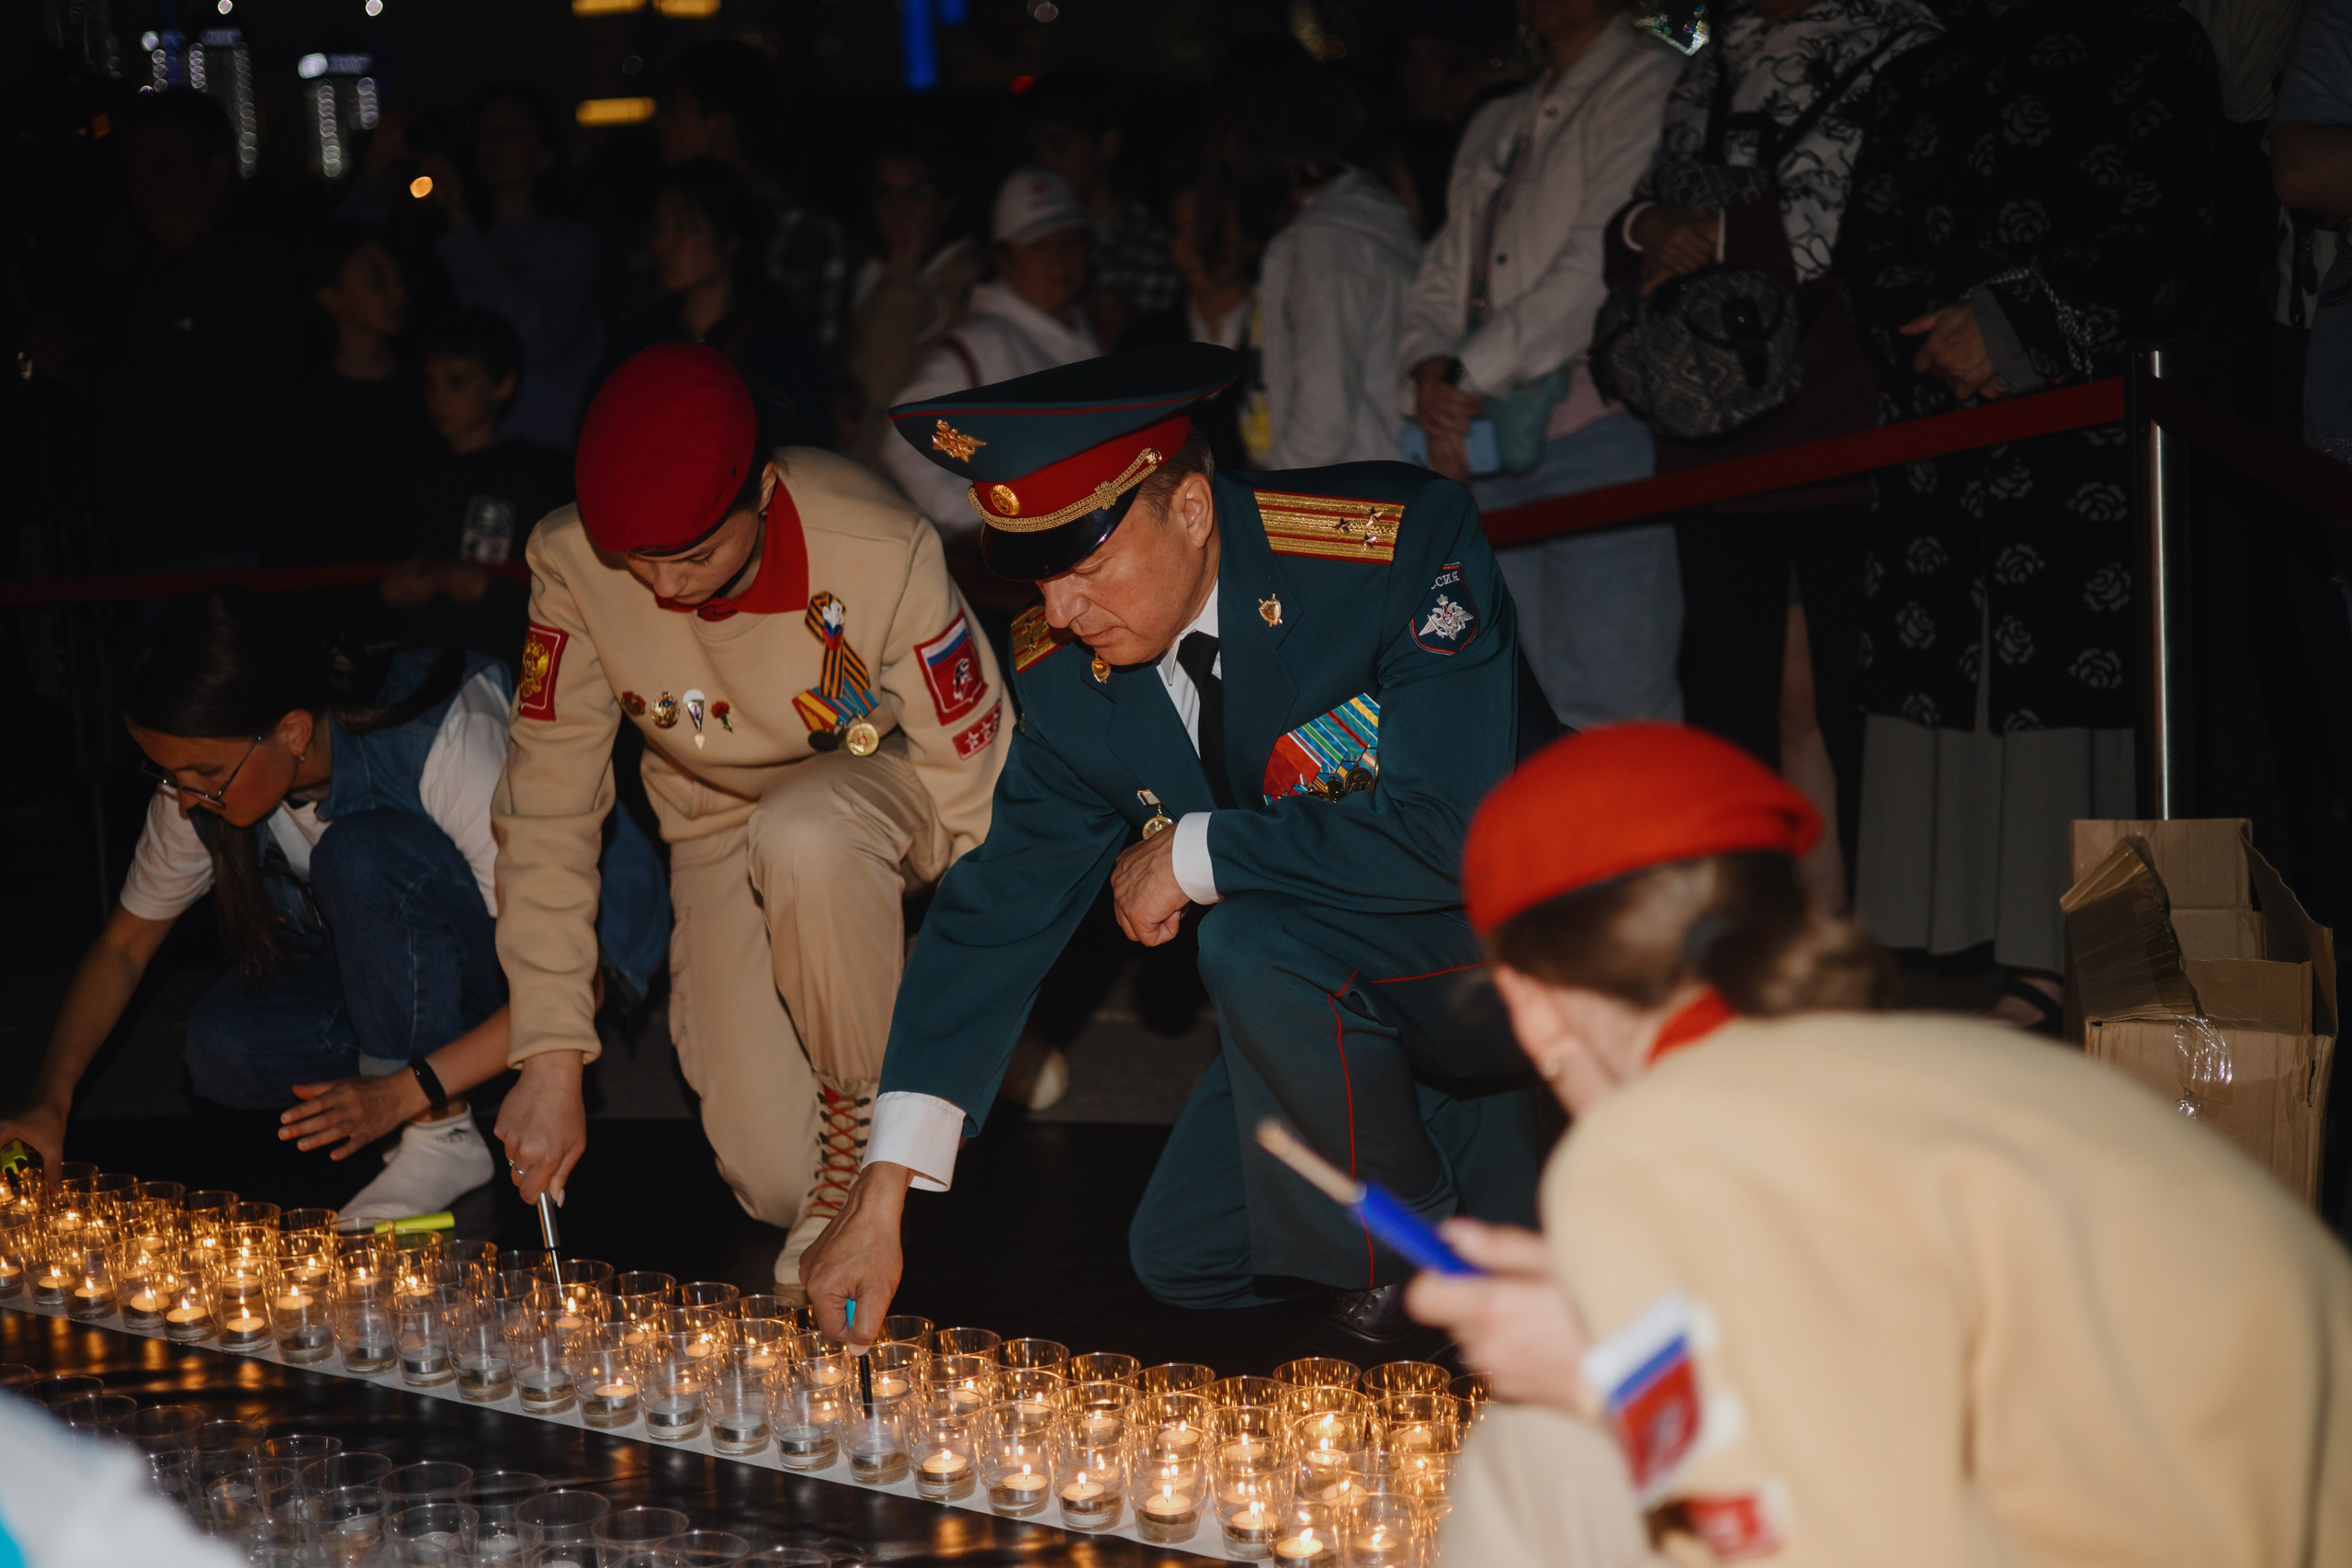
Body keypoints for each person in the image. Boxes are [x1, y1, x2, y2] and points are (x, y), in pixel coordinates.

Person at [1405, 722, 2352, 1566]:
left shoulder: (1655, 1144)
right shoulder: (1984, 1064)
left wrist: (1608, 1373)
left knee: (1539, 1449)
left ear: (1531, 1005)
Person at [800, 343, 1554, 1354]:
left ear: (1190, 511)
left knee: (1248, 940)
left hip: (1520, 946)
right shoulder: (1070, 671)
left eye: (1087, 566)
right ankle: (1474, 1168)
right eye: (1038, 578)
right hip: (1348, 992)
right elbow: (999, 910)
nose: (1058, 612)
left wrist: (1195, 853)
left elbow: (1452, 832)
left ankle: (1424, 1257)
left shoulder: (1387, 549)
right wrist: (879, 1192)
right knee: (1186, 1255)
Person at [491, 343, 1011, 1297]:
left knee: (806, 832)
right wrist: (550, 1054)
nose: (664, 590)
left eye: (692, 554)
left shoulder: (877, 546)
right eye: (634, 559)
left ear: (764, 493)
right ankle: (899, 1042)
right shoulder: (570, 561)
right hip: (712, 821)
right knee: (772, 1184)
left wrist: (978, 996)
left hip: (878, 790)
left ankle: (872, 1124)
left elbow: (972, 788)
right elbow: (547, 805)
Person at [0, 590, 667, 1229]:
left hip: (548, 969)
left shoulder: (447, 739)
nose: (185, 798)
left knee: (358, 855)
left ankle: (438, 1132)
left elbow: (578, 982)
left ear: (291, 730)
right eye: (168, 774)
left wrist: (402, 1093)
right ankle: (448, 1081)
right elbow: (122, 948)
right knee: (222, 1048)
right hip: (412, 977)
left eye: (203, 774)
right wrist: (49, 1102)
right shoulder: (202, 789)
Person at [1833, 0, 2222, 1029]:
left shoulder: (2150, 41)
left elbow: (2168, 225)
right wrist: (1943, 337)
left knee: (2082, 685)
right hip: (1938, 438)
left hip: (2084, 430)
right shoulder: (1923, 70)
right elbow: (1868, 236)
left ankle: (2084, 962)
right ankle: (1980, 951)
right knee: (1950, 684)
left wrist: (2008, 327)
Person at [1606, 0, 1938, 897]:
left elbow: (1875, 224)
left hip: (1836, 415)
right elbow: (1634, 216)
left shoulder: (1899, 41)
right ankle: (1776, 935)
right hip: (1708, 425)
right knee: (1739, 699)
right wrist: (1650, 233)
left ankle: (1858, 933)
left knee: (1842, 695)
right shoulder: (1705, 64)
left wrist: (1709, 233)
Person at [1399, 0, 1682, 732]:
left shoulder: (1651, 77)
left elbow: (1596, 267)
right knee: (1512, 704)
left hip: (1599, 424)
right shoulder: (1499, 118)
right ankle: (1548, 850)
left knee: (1617, 698)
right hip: (1483, 440)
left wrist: (1458, 380)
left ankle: (1646, 852)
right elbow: (1443, 267)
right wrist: (1431, 368)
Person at [86, 89, 300, 571]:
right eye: (135, 176)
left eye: (162, 168)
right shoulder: (155, 272)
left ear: (216, 170)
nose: (145, 192)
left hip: (226, 550)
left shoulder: (248, 267)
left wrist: (82, 370)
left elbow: (176, 397)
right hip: (164, 552)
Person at [1206, 34, 1425, 470]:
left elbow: (1320, 426)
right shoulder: (1362, 210)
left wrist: (1268, 509)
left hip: (1345, 516)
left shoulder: (1323, 243)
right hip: (1373, 495)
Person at [879, 167, 1102, 541]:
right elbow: (907, 440)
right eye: (1038, 245)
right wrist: (992, 517)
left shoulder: (1084, 329)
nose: (1061, 258)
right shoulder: (980, 341)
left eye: (1071, 241)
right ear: (1003, 258)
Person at [423, 81, 605, 449]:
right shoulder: (456, 244)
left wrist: (462, 229)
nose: (495, 144)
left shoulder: (571, 242)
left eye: (512, 131)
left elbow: (536, 339)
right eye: (487, 131)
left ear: (546, 153)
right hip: (469, 446)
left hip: (546, 447)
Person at [605, 156, 831, 449]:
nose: (663, 245)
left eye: (684, 228)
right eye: (658, 228)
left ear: (730, 238)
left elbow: (806, 446)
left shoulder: (780, 346)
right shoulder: (638, 344)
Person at [389, 309, 574, 664]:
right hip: (416, 662)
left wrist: (490, 590)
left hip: (501, 665)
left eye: (457, 382)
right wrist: (388, 592)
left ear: (502, 385)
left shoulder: (536, 476)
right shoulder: (413, 473)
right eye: (430, 382)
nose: (438, 397)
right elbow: (373, 569)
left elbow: (566, 591)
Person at [266, 221, 438, 576]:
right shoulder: (302, 409)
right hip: (340, 605)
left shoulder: (431, 387)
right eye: (377, 279)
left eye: (397, 275)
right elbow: (292, 531)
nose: (397, 292)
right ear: (331, 295)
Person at [657, 40, 849, 357]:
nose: (661, 124)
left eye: (674, 111)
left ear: (720, 124)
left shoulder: (803, 230)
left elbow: (815, 358)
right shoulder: (652, 224)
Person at [844, 141, 986, 472]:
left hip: (931, 479)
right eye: (886, 193)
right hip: (863, 472)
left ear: (946, 204)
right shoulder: (865, 274)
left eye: (918, 193)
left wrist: (903, 269)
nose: (900, 208)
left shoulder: (971, 285)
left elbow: (882, 385)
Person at [1023, 71, 1181, 351]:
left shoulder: (1152, 243)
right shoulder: (1022, 237)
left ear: (1107, 145)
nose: (1044, 161)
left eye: (1058, 146)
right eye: (1036, 148)